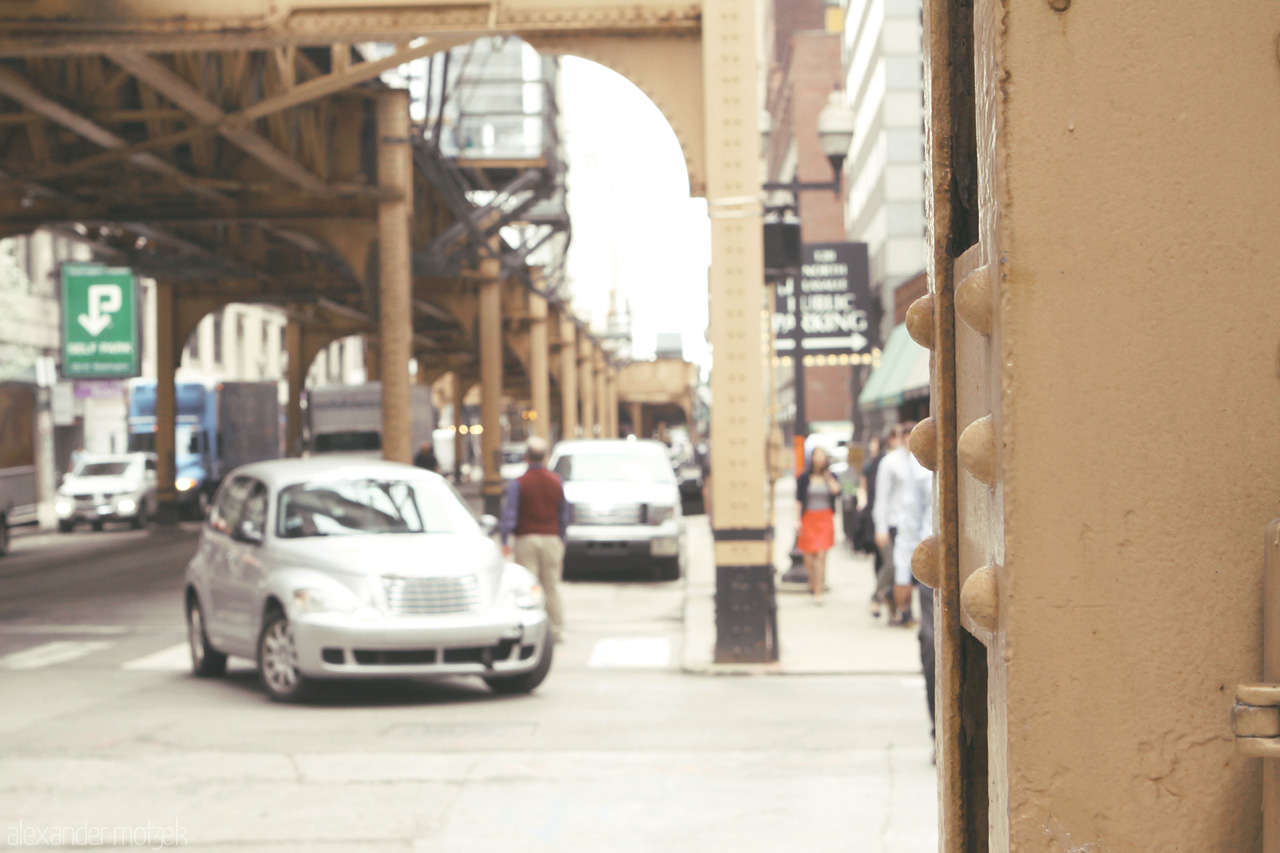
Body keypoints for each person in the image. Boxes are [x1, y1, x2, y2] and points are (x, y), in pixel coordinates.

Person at [499, 437, 569, 642]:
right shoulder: (557, 481)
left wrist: (504, 540)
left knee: (528, 588)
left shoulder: (519, 484)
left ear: (526, 457)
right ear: (545, 456)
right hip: (551, 539)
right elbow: (564, 515)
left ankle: (529, 632)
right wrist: (561, 538)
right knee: (552, 586)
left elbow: (510, 514)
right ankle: (556, 630)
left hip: (526, 539)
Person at [873, 422, 917, 626]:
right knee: (895, 566)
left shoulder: (920, 461)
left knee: (909, 570)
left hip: (913, 524)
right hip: (893, 523)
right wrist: (880, 527)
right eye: (905, 435)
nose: (908, 439)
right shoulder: (889, 462)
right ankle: (887, 600)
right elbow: (881, 497)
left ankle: (893, 599)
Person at [795, 446, 841, 604]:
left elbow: (836, 491)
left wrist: (828, 477)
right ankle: (812, 583)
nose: (820, 459)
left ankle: (818, 591)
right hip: (808, 518)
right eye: (817, 455)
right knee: (808, 557)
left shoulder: (831, 475)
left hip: (825, 517)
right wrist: (796, 520)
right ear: (812, 458)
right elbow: (798, 500)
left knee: (821, 555)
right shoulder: (804, 477)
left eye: (822, 455)